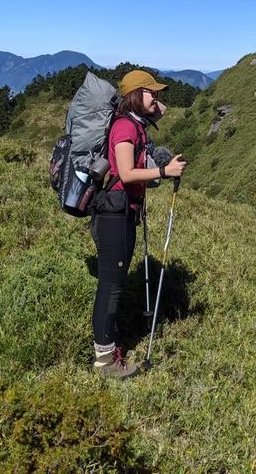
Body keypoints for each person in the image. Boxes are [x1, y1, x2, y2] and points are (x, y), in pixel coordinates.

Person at [91, 69, 186, 379]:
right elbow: (128, 173)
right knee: (111, 289)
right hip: (114, 217)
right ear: (134, 95)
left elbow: (162, 110)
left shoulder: (136, 123)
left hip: (124, 213)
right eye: (149, 92)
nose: (157, 97)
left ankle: (109, 346)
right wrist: (164, 172)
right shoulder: (124, 128)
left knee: (114, 286)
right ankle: (105, 361)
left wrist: (150, 100)